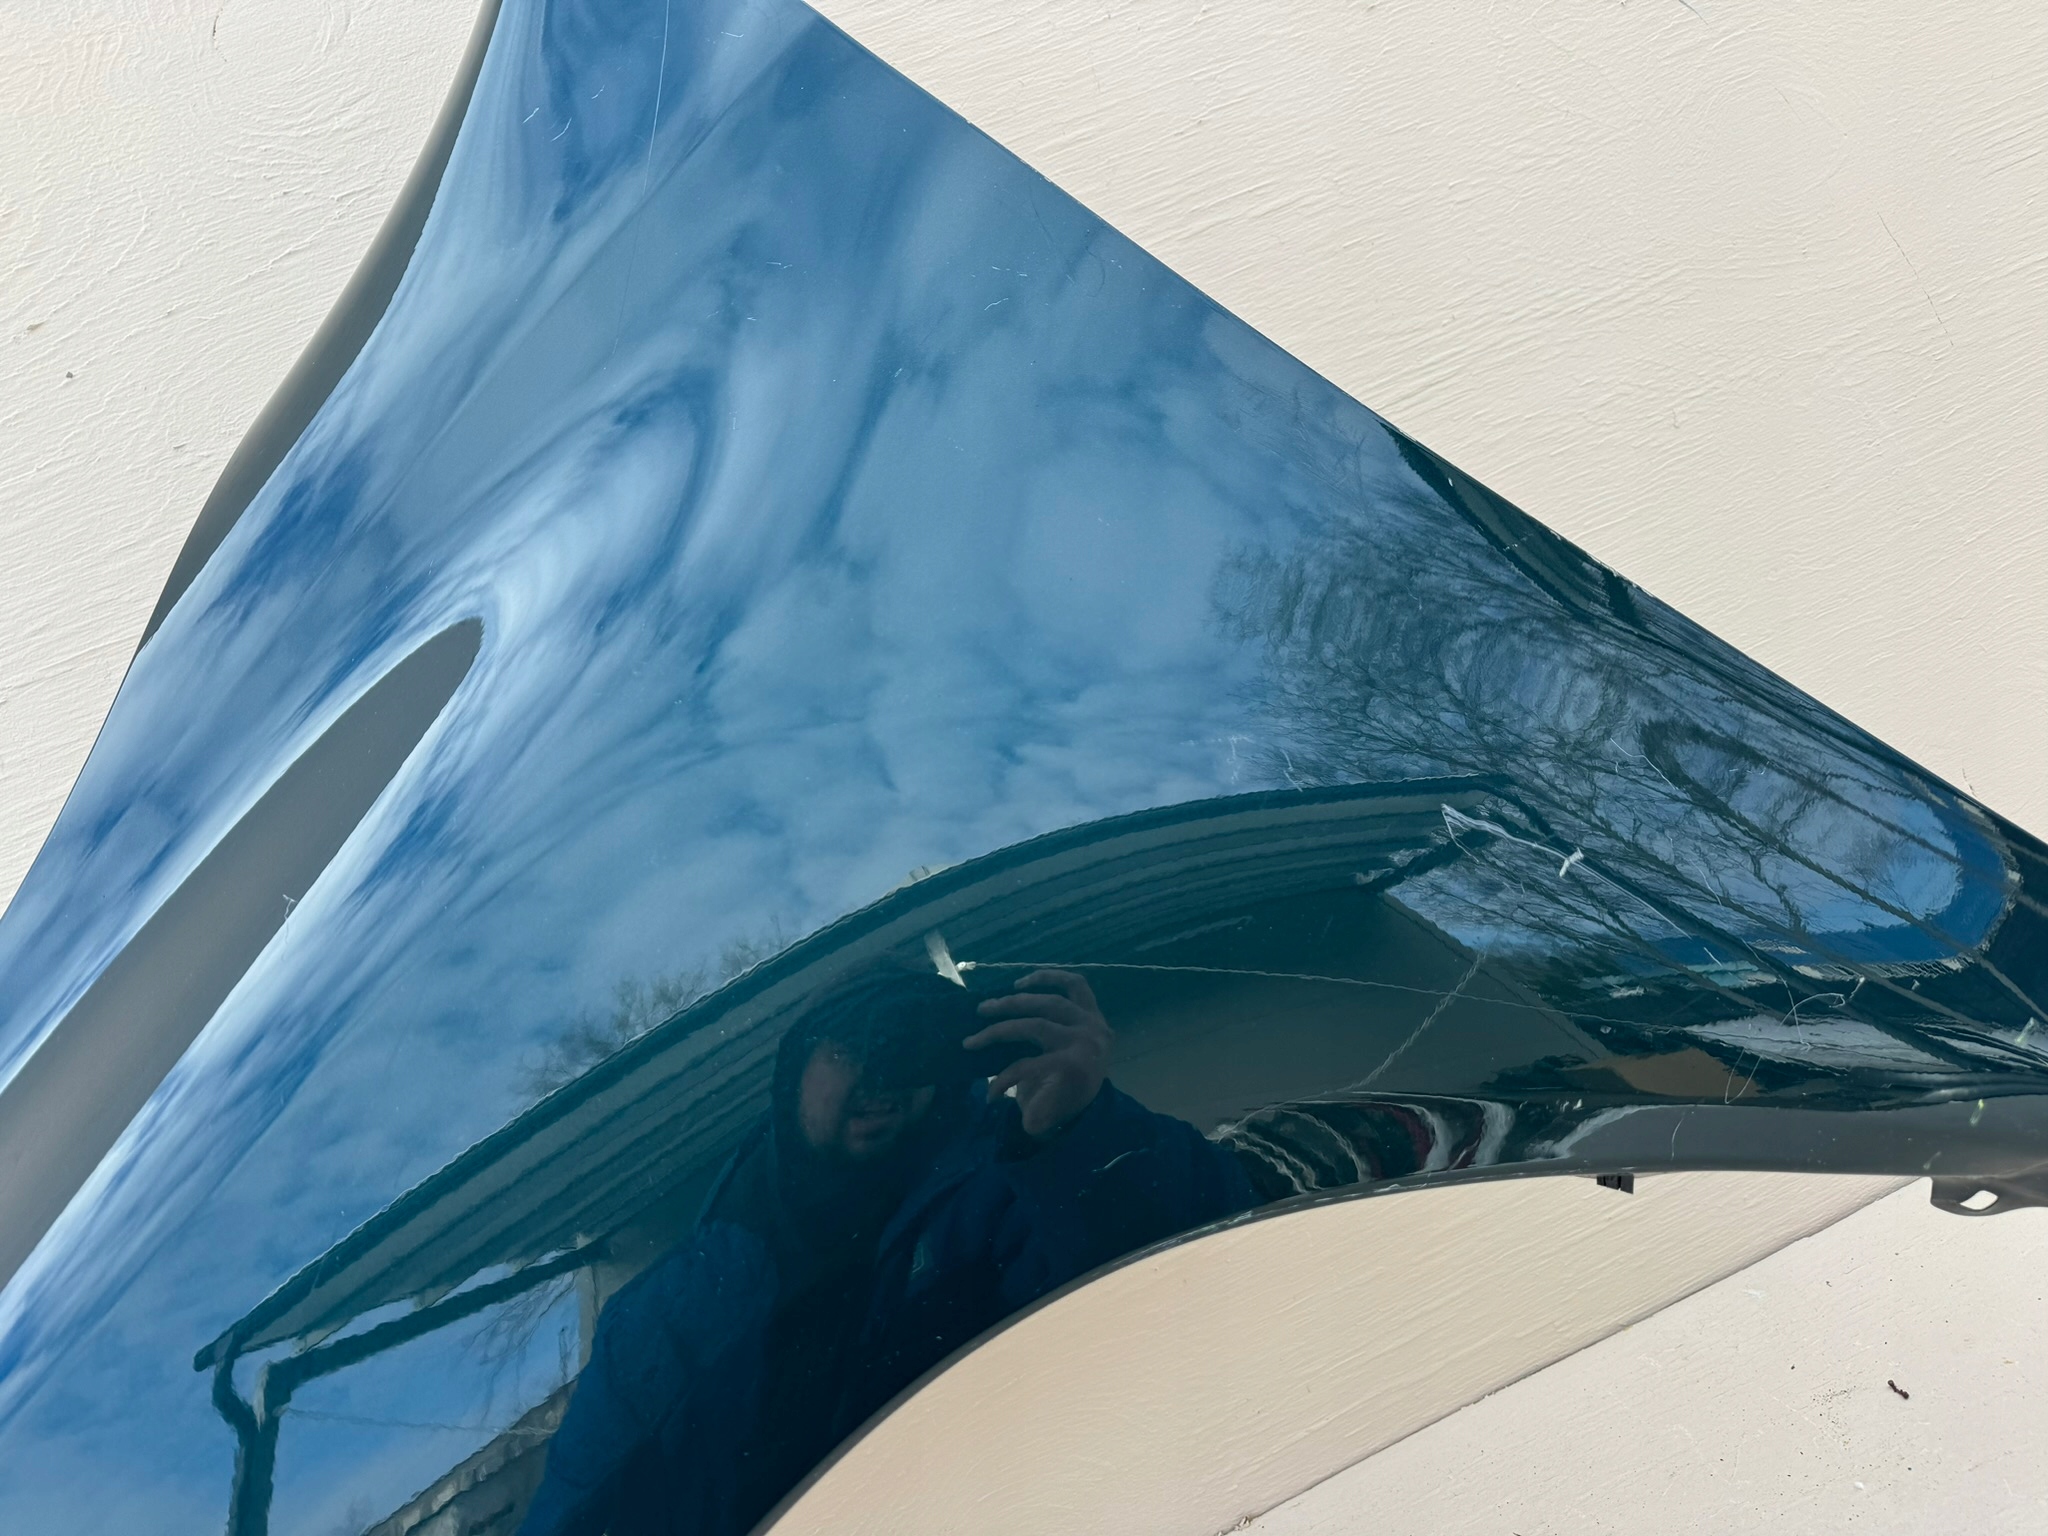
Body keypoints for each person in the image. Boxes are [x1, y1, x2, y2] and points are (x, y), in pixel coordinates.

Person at [519, 966, 1257, 1536]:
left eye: (908, 1046)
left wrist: (1085, 1133)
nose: (880, 1076)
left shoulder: (1016, 1182)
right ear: (795, 1073)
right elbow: (576, 1514)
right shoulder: (665, 1314)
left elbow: (1200, 1284)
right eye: (849, 1047)